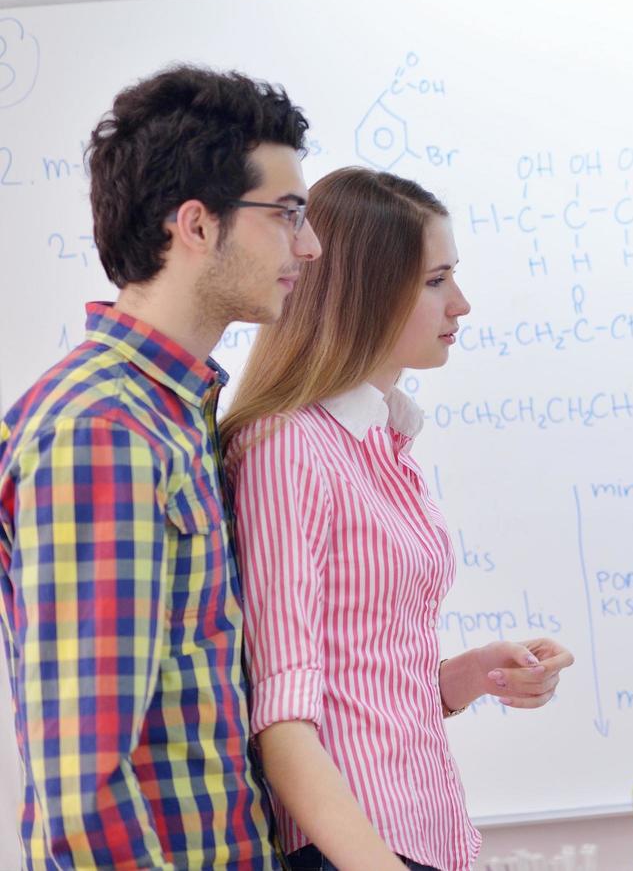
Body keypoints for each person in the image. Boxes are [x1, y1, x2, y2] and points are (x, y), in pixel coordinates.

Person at [0, 64, 319, 867]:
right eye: (287, 216)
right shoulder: (101, 429)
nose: (308, 247)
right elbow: (86, 783)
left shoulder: (175, 412)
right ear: (197, 225)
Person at [222, 167, 574, 871]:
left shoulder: (382, 440)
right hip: (355, 848)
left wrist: (468, 676)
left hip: (418, 831)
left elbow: (361, 673)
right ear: (369, 291)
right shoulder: (286, 447)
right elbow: (284, 713)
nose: (463, 304)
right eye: (437, 281)